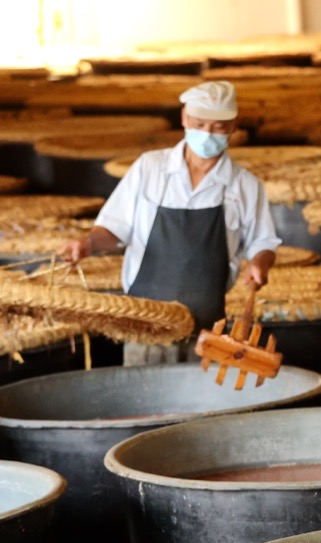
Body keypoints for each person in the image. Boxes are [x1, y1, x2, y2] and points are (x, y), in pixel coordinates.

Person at [61, 80, 279, 364]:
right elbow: (116, 228)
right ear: (184, 118)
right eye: (199, 124)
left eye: (218, 127)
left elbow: (263, 242)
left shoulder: (244, 186)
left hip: (207, 330)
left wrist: (260, 262)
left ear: (234, 125)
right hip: (144, 323)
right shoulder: (150, 168)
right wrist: (88, 242)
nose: (207, 134)